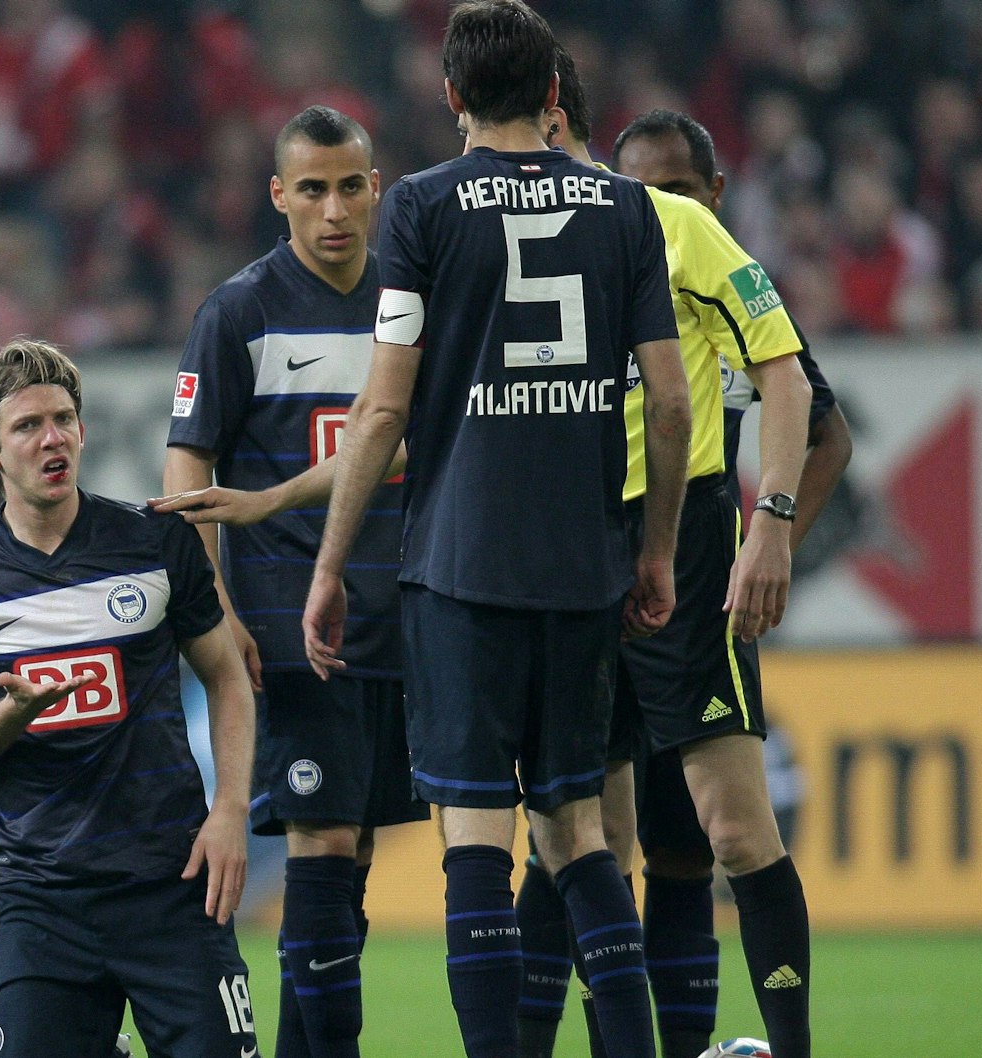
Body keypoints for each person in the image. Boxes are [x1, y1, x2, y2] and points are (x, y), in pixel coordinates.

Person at [303, 4, 691, 1057]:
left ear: (451, 96)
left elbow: (382, 410)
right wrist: (651, 547)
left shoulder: (421, 209)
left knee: (473, 833)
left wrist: (332, 563)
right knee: (576, 832)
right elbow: (666, 402)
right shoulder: (624, 210)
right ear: (555, 94)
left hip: (459, 567)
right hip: (580, 566)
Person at [510, 56, 842, 1058]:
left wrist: (768, 531)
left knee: (718, 836)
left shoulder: (687, 242)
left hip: (689, 546)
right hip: (564, 551)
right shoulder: (505, 240)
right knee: (576, 844)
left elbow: (801, 401)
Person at [155, 105, 428, 1058]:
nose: (334, 210)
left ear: (375, 189)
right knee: (318, 839)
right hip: (286, 621)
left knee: (349, 853)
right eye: (311, 189)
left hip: (404, 617)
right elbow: (185, 470)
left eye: (351, 186)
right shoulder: (241, 312)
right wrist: (217, 611)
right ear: (279, 197)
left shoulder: (408, 304)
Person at [0, 338, 259, 1058]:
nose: (53, 439)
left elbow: (227, 678)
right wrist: (14, 712)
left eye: (64, 419)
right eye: (27, 426)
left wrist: (229, 811)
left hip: (172, 880)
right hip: (44, 897)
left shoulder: (155, 541)